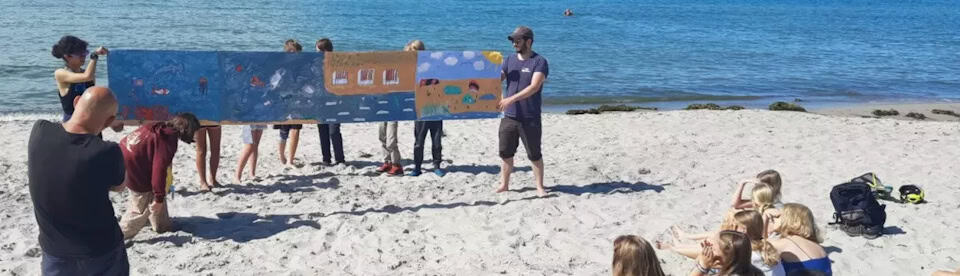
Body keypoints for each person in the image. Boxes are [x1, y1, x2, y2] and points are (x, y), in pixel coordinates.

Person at [28, 86, 129, 275]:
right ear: (109, 121)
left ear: (76, 102)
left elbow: (66, 150)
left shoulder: (40, 130)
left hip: (55, 251)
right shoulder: (107, 151)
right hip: (100, 250)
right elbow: (120, 185)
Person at [118, 113, 201, 240]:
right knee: (140, 207)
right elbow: (159, 170)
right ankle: (117, 236)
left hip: (123, 159)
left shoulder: (158, 126)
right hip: (135, 169)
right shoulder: (167, 140)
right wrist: (158, 198)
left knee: (155, 196)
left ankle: (162, 225)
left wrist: (159, 197)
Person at [496, 25, 549, 196]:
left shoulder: (539, 61)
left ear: (529, 41)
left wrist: (510, 99)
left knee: (534, 154)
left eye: (517, 40)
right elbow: (497, 79)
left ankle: (539, 187)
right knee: (505, 152)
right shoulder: (509, 60)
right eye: (513, 40)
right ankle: (504, 184)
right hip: (509, 116)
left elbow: (534, 87)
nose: (514, 44)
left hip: (530, 116)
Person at [660, 210, 781, 275]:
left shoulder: (751, 256)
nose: (732, 227)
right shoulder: (749, 257)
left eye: (735, 225)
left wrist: (702, 266)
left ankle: (674, 248)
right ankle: (678, 245)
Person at [403, 40, 445, 177]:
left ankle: (437, 165)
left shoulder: (432, 65)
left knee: (436, 140)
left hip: (436, 108)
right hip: (420, 110)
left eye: (414, 53)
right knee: (419, 141)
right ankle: (417, 167)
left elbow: (439, 82)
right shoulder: (411, 68)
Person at [767, 204, 832, 276]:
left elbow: (759, 245)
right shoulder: (816, 245)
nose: (773, 219)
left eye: (778, 216)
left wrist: (764, 219)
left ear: (790, 220)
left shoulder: (785, 243)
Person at [315, 38, 346, 165]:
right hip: (320, 101)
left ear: (325, 51)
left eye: (318, 51)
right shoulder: (316, 64)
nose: (316, 53)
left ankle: (340, 159)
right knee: (322, 130)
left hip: (334, 102)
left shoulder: (337, 63)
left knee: (334, 131)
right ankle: (326, 158)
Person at [274, 39, 304, 167]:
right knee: (283, 132)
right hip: (283, 100)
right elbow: (274, 83)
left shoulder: (302, 65)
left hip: (298, 100)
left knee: (296, 129)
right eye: (291, 51)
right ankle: (281, 156)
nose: (294, 54)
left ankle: (291, 160)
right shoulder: (281, 65)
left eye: (296, 51)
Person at [690, 231, 765, 276]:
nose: (710, 250)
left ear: (729, 257)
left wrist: (702, 267)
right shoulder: (753, 271)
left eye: (713, 249)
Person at [194, 123, 222, 191]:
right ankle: (203, 181)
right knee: (201, 150)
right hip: (199, 120)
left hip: (214, 119)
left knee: (215, 149)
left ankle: (213, 179)